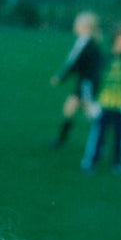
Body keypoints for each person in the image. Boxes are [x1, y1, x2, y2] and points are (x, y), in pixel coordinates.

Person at [81, 27, 121, 175]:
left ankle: (118, 163)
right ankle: (91, 162)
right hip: (103, 105)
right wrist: (92, 102)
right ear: (115, 41)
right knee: (98, 136)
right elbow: (92, 80)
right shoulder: (104, 59)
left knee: (120, 137)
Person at [49, 12, 102, 149]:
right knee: (69, 108)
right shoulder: (83, 41)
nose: (75, 25)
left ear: (86, 27)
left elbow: (75, 64)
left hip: (87, 83)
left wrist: (60, 78)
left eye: (77, 23)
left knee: (90, 112)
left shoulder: (88, 44)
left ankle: (101, 139)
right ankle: (61, 140)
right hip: (84, 82)